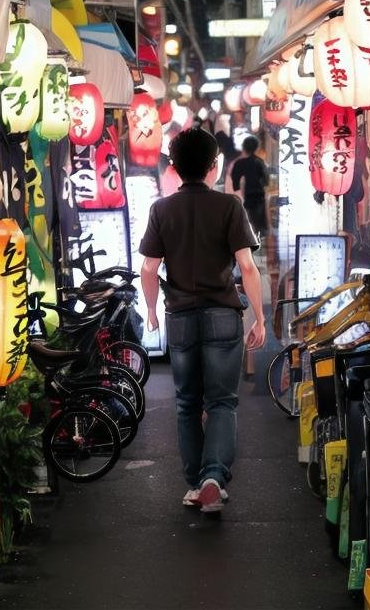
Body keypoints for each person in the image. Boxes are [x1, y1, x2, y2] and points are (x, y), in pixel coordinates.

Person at [139, 128, 266, 514]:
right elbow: (246, 266)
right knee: (223, 402)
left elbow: (148, 268)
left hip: (179, 316)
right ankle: (213, 477)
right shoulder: (229, 207)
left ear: (174, 167)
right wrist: (259, 318)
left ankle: (195, 482)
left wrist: (149, 310)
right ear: (214, 167)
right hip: (222, 315)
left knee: (187, 404)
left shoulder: (161, 210)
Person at [230, 134, 268, 236]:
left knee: (249, 217)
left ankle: (251, 236)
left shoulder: (240, 163)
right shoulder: (259, 161)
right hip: (259, 193)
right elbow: (265, 179)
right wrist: (265, 183)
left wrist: (236, 186)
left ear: (244, 147)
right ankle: (260, 235)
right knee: (259, 219)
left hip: (248, 193)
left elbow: (235, 176)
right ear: (256, 147)